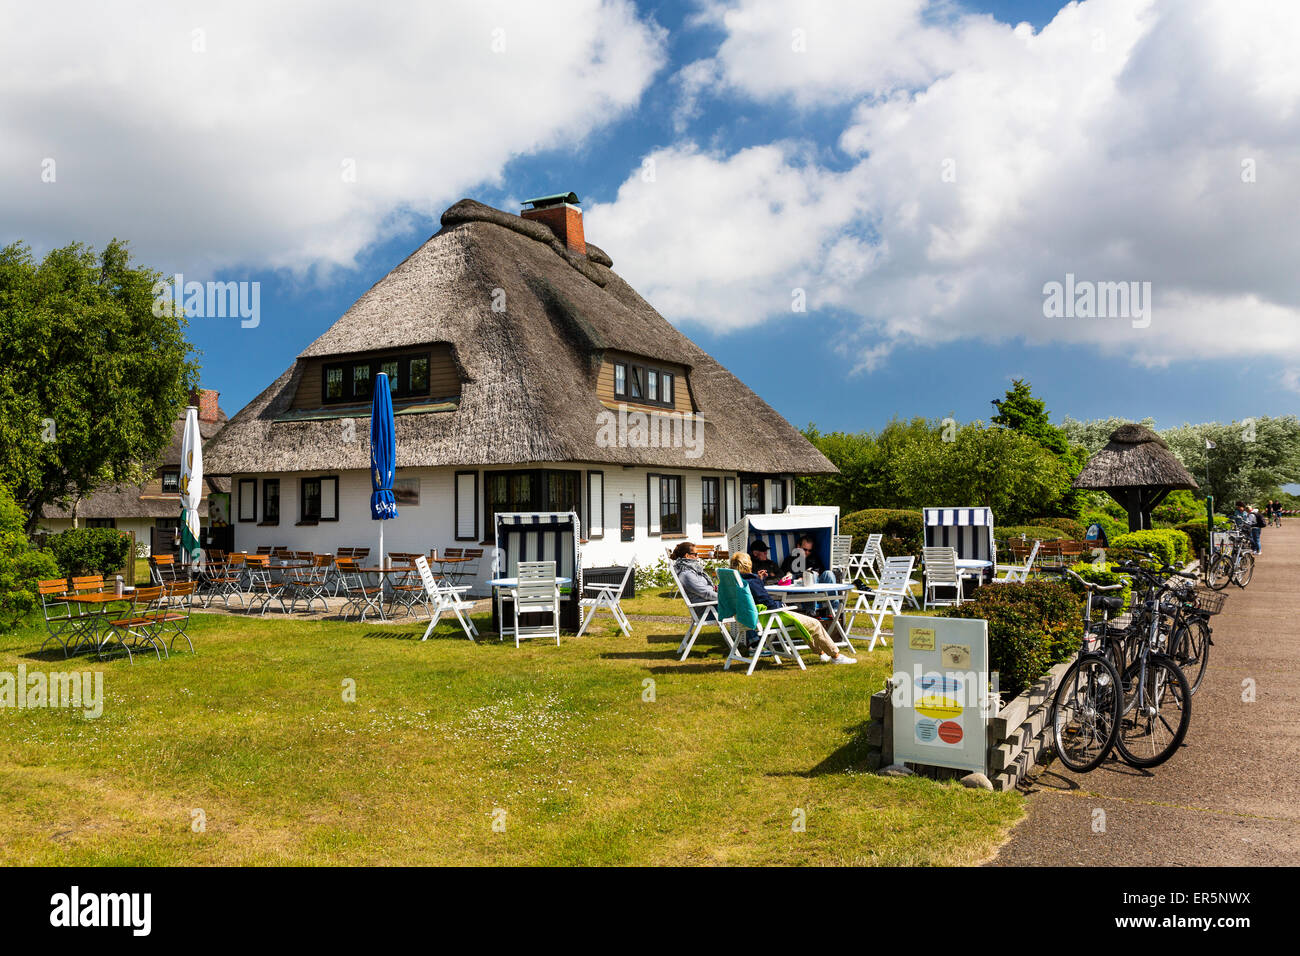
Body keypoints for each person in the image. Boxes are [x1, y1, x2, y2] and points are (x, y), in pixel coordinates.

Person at [729, 552, 854, 664]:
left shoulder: (737, 581)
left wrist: (759, 580)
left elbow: (755, 595)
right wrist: (783, 605)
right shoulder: (752, 582)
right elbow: (768, 603)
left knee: (803, 624)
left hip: (750, 618)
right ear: (748, 565)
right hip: (770, 617)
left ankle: (821, 653)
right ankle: (836, 656)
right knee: (815, 624)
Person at [779, 533, 839, 618]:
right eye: (805, 549)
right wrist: (802, 576)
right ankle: (811, 610)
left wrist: (813, 573)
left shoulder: (814, 558)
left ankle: (834, 610)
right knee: (811, 575)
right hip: (800, 589)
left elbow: (821, 571)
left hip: (817, 586)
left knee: (829, 573)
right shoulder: (789, 560)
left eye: (809, 550)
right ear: (798, 546)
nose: (807, 552)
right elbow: (786, 577)